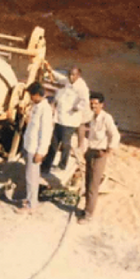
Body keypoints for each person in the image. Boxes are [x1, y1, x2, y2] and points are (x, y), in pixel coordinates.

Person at [79, 91, 121, 225]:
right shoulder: (92, 118)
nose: (93, 106)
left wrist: (108, 151)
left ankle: (89, 214)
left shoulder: (106, 118)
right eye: (92, 104)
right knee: (87, 182)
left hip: (100, 154)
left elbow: (115, 135)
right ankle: (86, 209)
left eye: (96, 104)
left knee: (93, 186)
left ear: (102, 105)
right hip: (90, 152)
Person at [42, 67, 89, 174]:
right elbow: (59, 78)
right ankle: (46, 165)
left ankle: (62, 165)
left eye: (74, 75)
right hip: (60, 118)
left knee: (65, 143)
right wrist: (50, 70)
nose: (71, 77)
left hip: (70, 121)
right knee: (53, 142)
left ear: (78, 76)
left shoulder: (82, 87)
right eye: (70, 75)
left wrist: (77, 107)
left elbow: (85, 101)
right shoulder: (67, 81)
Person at [17, 82, 53, 213]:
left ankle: (32, 205)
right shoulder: (36, 106)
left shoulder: (45, 110)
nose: (30, 98)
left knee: (32, 177)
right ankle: (31, 199)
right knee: (30, 176)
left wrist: (41, 152)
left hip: (35, 149)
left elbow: (46, 132)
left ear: (37, 95)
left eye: (31, 95)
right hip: (29, 145)